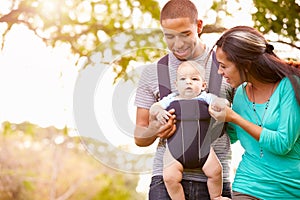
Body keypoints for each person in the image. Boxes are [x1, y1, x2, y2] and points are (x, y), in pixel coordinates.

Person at [134, 0, 232, 199]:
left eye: (185, 34)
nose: (177, 44)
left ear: (198, 26)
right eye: (169, 36)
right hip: (166, 181)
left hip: (215, 181)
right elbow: (139, 135)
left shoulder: (226, 67)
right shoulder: (153, 73)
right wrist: (156, 129)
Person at [209, 26, 300, 199]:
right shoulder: (241, 93)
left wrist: (234, 117)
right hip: (248, 184)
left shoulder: (290, 85)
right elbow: (232, 136)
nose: (220, 72)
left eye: (223, 66)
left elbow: (283, 143)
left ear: (246, 64)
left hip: (290, 188)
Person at [150, 61, 228, 200]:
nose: (188, 83)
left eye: (194, 79)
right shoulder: (170, 99)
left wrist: (221, 104)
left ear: (203, 85)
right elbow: (154, 108)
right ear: (176, 85)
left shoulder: (206, 98)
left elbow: (222, 102)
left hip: (203, 150)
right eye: (183, 79)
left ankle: (216, 196)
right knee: (169, 177)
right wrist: (159, 112)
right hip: (175, 152)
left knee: (216, 171)